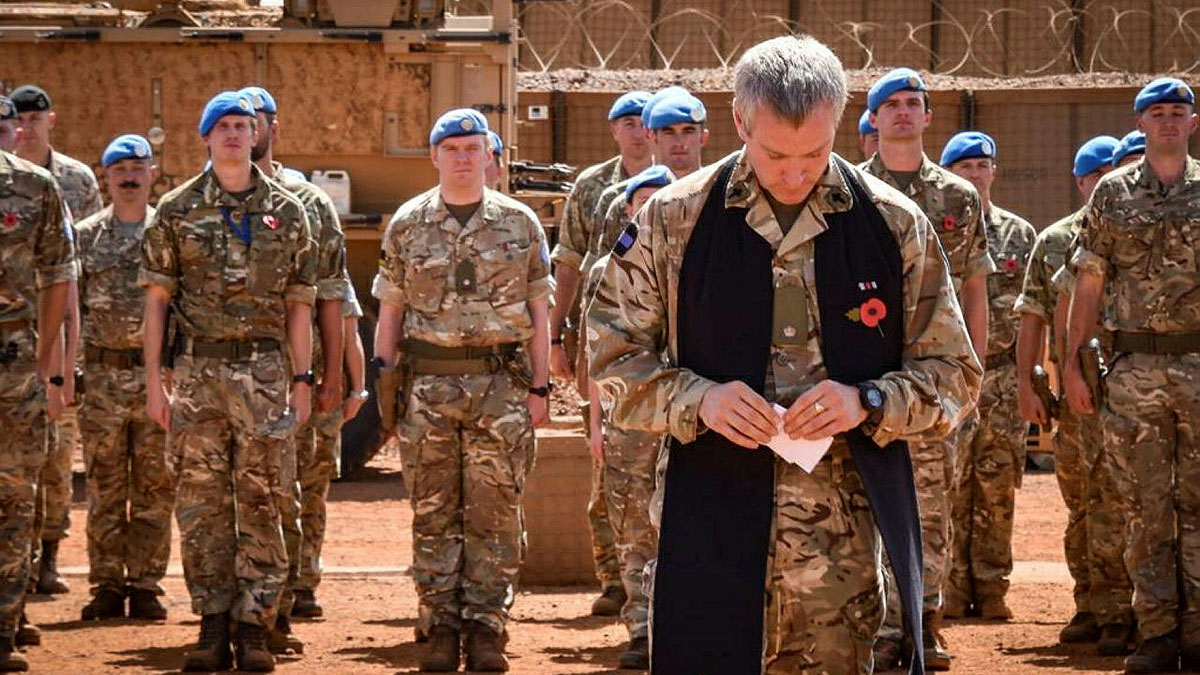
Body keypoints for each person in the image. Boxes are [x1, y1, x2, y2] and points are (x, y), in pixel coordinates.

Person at [589, 35, 980, 674]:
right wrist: (700, 400)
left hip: (840, 555)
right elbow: (611, 358)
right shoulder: (675, 220)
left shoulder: (892, 224)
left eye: (816, 154)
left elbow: (956, 376)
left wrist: (869, 401)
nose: (797, 174)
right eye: (775, 155)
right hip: (706, 522)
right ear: (741, 121)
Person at [140, 90, 317, 672]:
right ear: (207, 138)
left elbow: (299, 305)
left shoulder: (289, 210)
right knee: (202, 504)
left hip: (265, 373)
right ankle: (212, 624)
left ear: (258, 133)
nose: (237, 134)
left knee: (265, 500)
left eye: (245, 124)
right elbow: (158, 303)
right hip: (197, 375)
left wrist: (301, 380)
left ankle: (255, 626)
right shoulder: (176, 208)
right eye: (225, 126)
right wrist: (153, 381)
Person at [373, 108, 552, 673]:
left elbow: (540, 315)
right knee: (433, 511)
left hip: (501, 387)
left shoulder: (521, 223)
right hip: (427, 387)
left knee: (494, 513)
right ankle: (441, 624)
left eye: (473, 147)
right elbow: (390, 312)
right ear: (434, 156)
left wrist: (542, 387)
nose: (463, 157)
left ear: (489, 156)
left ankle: (486, 628)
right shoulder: (406, 223)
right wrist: (385, 384)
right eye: (451, 148)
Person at [1064, 77, 1200, 674]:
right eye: (1158, 113)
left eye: (1179, 112)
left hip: (1198, 366)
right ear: (1141, 124)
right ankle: (1157, 633)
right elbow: (1088, 282)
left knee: (1198, 504)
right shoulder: (1112, 196)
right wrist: (1074, 365)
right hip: (1134, 371)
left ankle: (1197, 631)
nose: (1168, 121)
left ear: (1193, 123)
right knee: (1145, 508)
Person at [860, 66, 993, 671]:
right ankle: (880, 626)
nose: (905, 112)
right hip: (868, 376)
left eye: (915, 103)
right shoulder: (852, 190)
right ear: (875, 119)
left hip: (934, 374)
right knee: (864, 499)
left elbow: (973, 290)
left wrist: (974, 374)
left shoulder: (958, 198)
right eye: (893, 104)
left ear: (928, 117)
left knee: (931, 502)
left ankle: (925, 621)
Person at [1014, 134, 1135, 656]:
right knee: (1085, 504)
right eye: (1097, 174)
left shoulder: (1145, 226)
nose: (1107, 182)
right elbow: (1036, 315)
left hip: (1135, 387)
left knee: (1125, 502)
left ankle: (1124, 610)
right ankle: (1091, 602)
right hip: (1082, 392)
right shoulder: (1060, 240)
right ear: (1082, 181)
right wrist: (1035, 382)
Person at [241, 84, 350, 654]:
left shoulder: (308, 202)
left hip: (289, 376)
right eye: (238, 121)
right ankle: (238, 614)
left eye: (257, 120)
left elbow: (331, 295)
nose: (248, 130)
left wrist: (332, 375)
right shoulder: (200, 199)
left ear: (273, 128)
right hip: (224, 378)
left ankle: (277, 608)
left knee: (288, 494)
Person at [547, 90, 651, 618]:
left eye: (643, 121)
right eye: (627, 122)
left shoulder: (677, 186)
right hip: (603, 341)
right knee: (604, 462)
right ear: (613, 130)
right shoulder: (593, 187)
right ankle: (615, 577)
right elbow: (568, 260)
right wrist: (556, 334)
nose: (637, 131)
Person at [577, 164, 673, 670]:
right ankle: (641, 630)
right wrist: (596, 424)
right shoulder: (604, 271)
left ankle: (680, 627)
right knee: (635, 527)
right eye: (644, 200)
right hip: (628, 423)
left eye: (664, 197)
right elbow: (599, 361)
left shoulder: (696, 261)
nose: (652, 206)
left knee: (683, 526)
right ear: (629, 210)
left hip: (683, 420)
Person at [75, 135, 174, 623]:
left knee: (156, 485)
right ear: (106, 177)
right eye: (120, 169)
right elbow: (70, 308)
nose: (130, 175)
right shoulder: (85, 235)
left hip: (156, 379)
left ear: (153, 173)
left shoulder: (170, 232)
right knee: (106, 486)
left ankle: (147, 584)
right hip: (102, 378)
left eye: (138, 166)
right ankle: (108, 583)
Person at [939, 131, 1037, 620]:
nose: (975, 173)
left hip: (1000, 376)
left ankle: (993, 586)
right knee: (950, 484)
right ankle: (953, 588)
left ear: (994, 172)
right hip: (952, 377)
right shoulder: (938, 228)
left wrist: (1030, 380)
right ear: (949, 175)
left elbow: (1033, 310)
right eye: (964, 166)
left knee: (998, 486)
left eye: (982, 165)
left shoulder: (1020, 235)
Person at [12, 84, 103, 597]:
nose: (26, 126)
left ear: (52, 119)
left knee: (57, 451)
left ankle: (48, 555)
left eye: (35, 116)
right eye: (17, 119)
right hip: (13, 331)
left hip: (60, 330)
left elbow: (83, 263)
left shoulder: (74, 179)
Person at [0, 142, 75, 672]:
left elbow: (59, 276)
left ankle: (3, 628)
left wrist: (44, 356)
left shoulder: (34, 186)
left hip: (13, 365)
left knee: (13, 500)